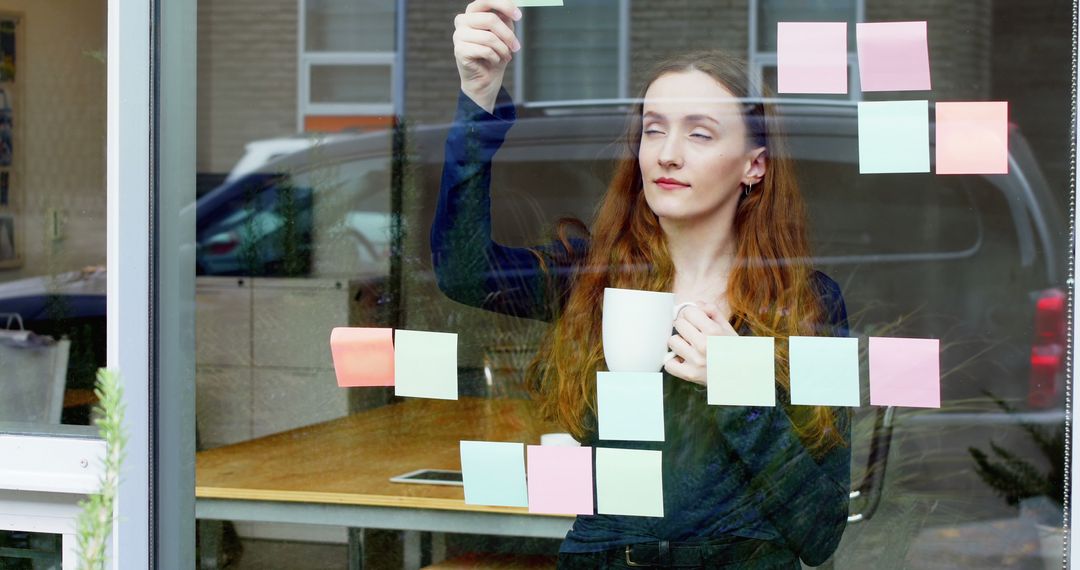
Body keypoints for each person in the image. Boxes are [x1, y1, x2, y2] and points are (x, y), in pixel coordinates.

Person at [432, 1, 852, 567]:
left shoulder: (810, 305)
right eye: (654, 130)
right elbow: (463, 272)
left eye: (700, 134)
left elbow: (820, 531)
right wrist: (478, 100)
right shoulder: (596, 278)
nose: (667, 153)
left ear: (755, 165)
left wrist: (741, 389)